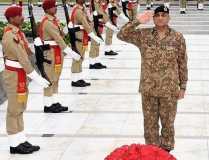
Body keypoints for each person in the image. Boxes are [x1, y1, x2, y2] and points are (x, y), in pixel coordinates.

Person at [117, 6, 188, 152]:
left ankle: (166, 153)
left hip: (169, 89)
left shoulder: (177, 37)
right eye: (157, 15)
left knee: (168, 124)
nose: (160, 17)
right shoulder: (144, 35)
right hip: (149, 88)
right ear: (153, 18)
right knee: (149, 125)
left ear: (168, 18)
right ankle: (151, 153)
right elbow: (121, 34)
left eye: (164, 15)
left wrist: (183, 87)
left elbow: (182, 62)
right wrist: (137, 21)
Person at [2, 5, 50, 154]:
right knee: (13, 110)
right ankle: (14, 144)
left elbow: (26, 54)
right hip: (14, 75)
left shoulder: (17, 33)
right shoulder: (10, 35)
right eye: (18, 15)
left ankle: (20, 139)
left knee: (20, 108)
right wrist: (36, 77)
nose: (22, 17)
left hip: (20, 74)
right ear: (11, 18)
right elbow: (22, 58)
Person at [39, 0, 81, 113]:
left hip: (56, 52)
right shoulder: (47, 22)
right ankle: (48, 105)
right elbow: (58, 39)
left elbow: (61, 35)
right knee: (49, 80)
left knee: (56, 79)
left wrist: (68, 28)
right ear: (47, 9)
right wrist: (72, 53)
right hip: (50, 54)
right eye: (53, 7)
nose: (55, 8)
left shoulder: (54, 21)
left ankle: (54, 102)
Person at [70, 0, 104, 87]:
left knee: (81, 57)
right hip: (78, 36)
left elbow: (88, 20)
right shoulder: (77, 10)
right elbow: (85, 24)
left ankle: (78, 78)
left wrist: (93, 15)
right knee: (77, 57)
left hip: (82, 35)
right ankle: (74, 80)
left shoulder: (83, 8)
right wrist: (94, 37)